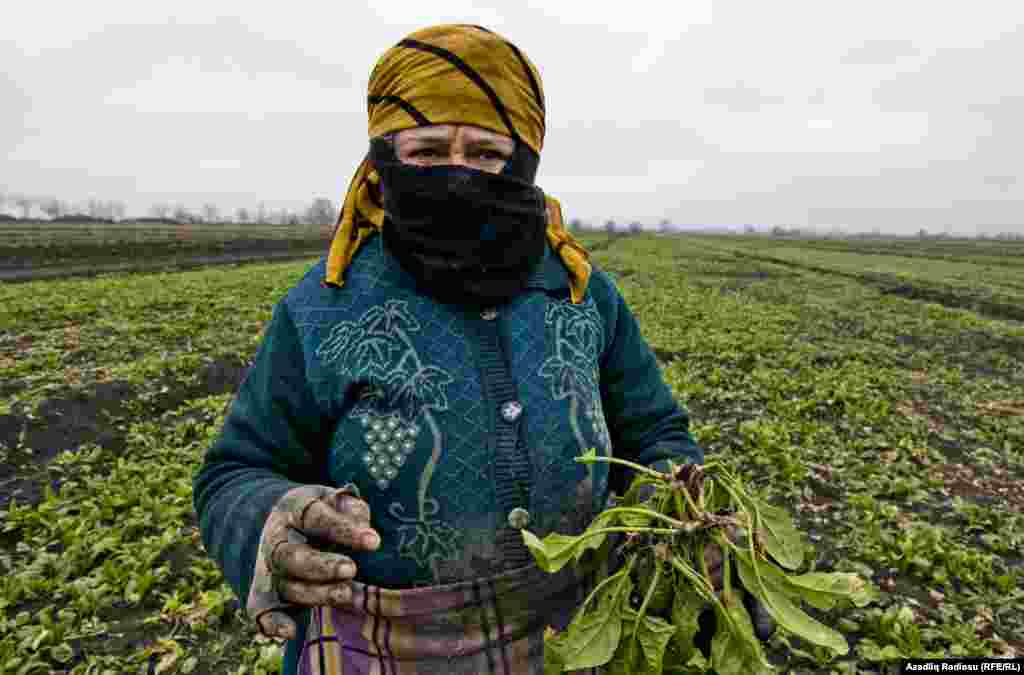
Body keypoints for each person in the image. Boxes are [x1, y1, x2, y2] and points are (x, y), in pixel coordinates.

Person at [193, 23, 759, 675]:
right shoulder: (325, 307)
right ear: (385, 159)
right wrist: (271, 523)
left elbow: (656, 432)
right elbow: (233, 470)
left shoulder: (580, 295)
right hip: (379, 654)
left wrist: (681, 508)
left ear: (523, 164)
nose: (459, 174)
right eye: (428, 150)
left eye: (487, 154)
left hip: (574, 646)